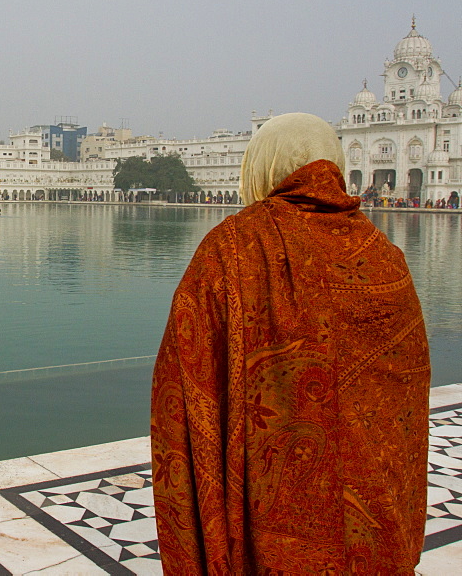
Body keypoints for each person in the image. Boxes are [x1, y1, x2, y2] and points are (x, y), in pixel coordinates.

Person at [151, 113, 430, 573]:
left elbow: (183, 391)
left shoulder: (233, 247)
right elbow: (406, 406)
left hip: (275, 536)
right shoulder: (387, 256)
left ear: (261, 166)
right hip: (378, 527)